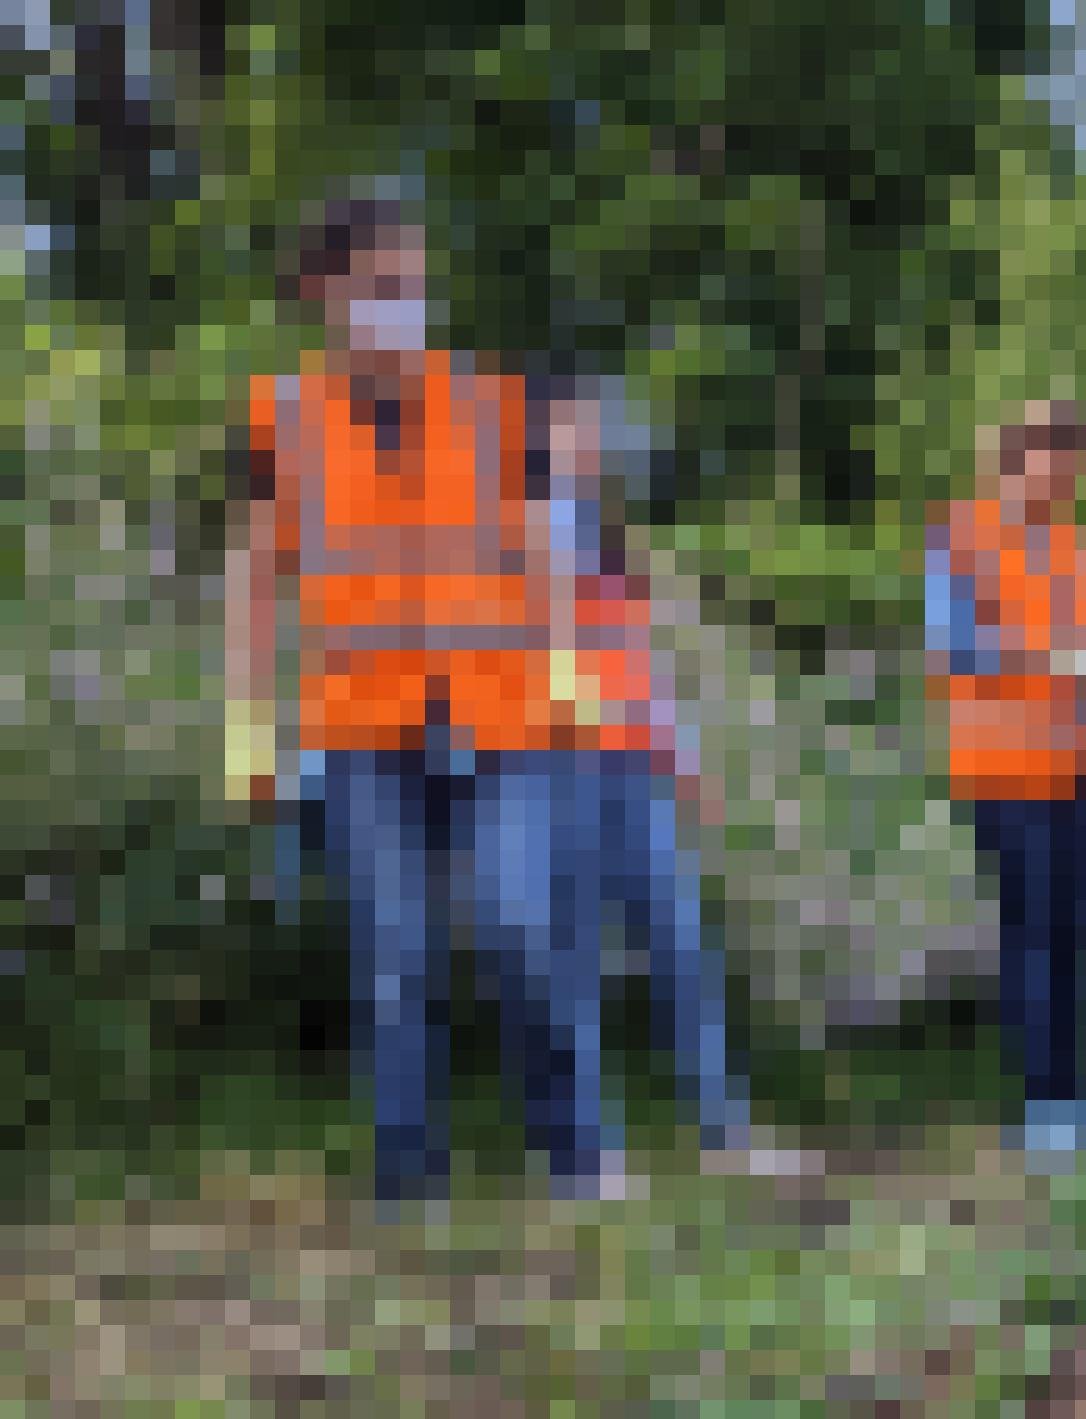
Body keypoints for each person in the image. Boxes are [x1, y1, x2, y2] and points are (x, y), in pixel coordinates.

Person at [228, 192, 615, 1206]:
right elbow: (252, 579)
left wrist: (571, 672)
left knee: (521, 933)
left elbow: (546, 553)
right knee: (395, 955)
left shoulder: (498, 405)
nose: (406, 305)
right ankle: (411, 1178)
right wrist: (245, 731)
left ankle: (569, 1149)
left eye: (417, 285)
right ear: (325, 291)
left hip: (501, 714)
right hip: (361, 728)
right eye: (382, 287)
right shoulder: (281, 417)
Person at [533, 374, 814, 1182]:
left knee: (682, 945)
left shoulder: (615, 539)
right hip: (562, 765)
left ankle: (725, 1132)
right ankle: (586, 1151)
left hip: (634, 766)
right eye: (577, 428)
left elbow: (641, 668)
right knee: (574, 956)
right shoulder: (528, 533)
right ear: (550, 437)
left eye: (600, 431)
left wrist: (681, 756)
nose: (592, 443)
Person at [921, 401, 1086, 1161]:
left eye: (1080, 465)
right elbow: (952, 648)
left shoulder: (1080, 546)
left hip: (1078, 762)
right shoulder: (959, 534)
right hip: (1000, 765)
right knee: (1031, 927)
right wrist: (1062, 660)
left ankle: (1082, 1096)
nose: (1072, 480)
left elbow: (1079, 649)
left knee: (1078, 929)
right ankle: (1042, 1102)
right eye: (1063, 462)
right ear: (1023, 458)